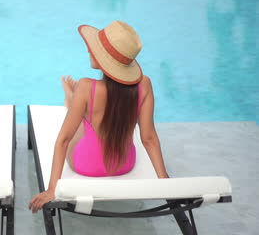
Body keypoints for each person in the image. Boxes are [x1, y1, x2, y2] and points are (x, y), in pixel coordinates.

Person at [29, 21, 169, 213]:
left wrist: (52, 189)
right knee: (87, 117)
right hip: (124, 164)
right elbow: (149, 138)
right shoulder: (144, 84)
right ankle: (74, 102)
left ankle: (72, 102)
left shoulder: (87, 86)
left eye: (94, 49)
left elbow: (63, 140)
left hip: (86, 164)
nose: (89, 51)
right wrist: (166, 183)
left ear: (105, 61)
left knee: (80, 125)